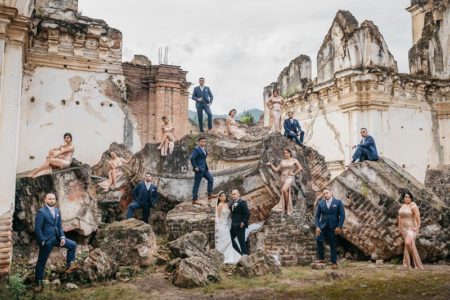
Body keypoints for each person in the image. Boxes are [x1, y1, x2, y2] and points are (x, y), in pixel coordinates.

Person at [34, 193, 77, 292]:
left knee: (72, 245)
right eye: (50, 199)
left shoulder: (57, 211)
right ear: (45, 200)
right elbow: (37, 229)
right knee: (41, 261)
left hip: (57, 238)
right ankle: (38, 283)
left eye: (53, 199)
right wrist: (43, 240)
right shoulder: (41, 212)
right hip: (47, 240)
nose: (52, 200)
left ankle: (69, 268)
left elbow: (59, 226)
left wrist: (62, 237)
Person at [314, 188, 345, 269]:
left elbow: (342, 215)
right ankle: (321, 258)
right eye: (323, 194)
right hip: (322, 226)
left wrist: (339, 226)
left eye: (326, 193)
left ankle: (334, 262)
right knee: (319, 239)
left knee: (333, 244)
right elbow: (317, 216)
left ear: (331, 193)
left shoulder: (338, 202)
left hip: (333, 227)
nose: (325, 195)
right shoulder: (321, 203)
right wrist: (317, 226)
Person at [266, 149, 303, 215]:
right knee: (285, 192)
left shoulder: (294, 160)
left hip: (290, 177)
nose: (286, 154)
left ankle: (288, 208)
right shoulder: (283, 161)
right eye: (284, 153)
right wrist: (271, 164)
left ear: (290, 153)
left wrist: (294, 173)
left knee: (284, 190)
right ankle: (286, 207)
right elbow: (277, 169)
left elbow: (300, 168)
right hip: (283, 177)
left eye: (287, 153)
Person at [398, 191, 423, 269]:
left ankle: (415, 262)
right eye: (406, 197)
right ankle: (407, 263)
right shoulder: (403, 206)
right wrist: (399, 227)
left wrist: (418, 226)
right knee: (406, 245)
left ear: (411, 198)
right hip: (403, 228)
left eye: (409, 197)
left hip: (411, 228)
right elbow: (399, 217)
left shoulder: (413, 204)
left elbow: (417, 215)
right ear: (403, 198)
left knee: (408, 243)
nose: (407, 198)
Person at [215, 191, 242, 264]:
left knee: (229, 240)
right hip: (221, 225)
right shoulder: (219, 205)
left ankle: (230, 255)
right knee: (224, 240)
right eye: (222, 196)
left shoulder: (227, 205)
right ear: (219, 198)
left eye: (224, 195)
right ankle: (222, 255)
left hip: (227, 225)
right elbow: (217, 217)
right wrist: (218, 227)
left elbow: (230, 216)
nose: (224, 197)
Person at [190, 136, 216, 204]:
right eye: (201, 141)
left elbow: (203, 159)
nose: (203, 143)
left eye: (204, 141)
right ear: (199, 142)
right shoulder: (196, 149)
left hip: (204, 169)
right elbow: (192, 158)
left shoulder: (203, 149)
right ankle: (194, 199)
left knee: (211, 179)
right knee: (196, 184)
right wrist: (195, 167)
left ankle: (210, 195)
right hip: (199, 170)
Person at [229, 189, 250, 255]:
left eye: (234, 194)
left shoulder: (242, 202)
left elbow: (247, 213)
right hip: (233, 226)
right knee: (230, 239)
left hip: (240, 225)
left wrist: (243, 222)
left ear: (238, 194)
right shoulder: (232, 203)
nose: (233, 195)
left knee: (241, 241)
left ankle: (245, 255)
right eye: (232, 194)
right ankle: (239, 253)